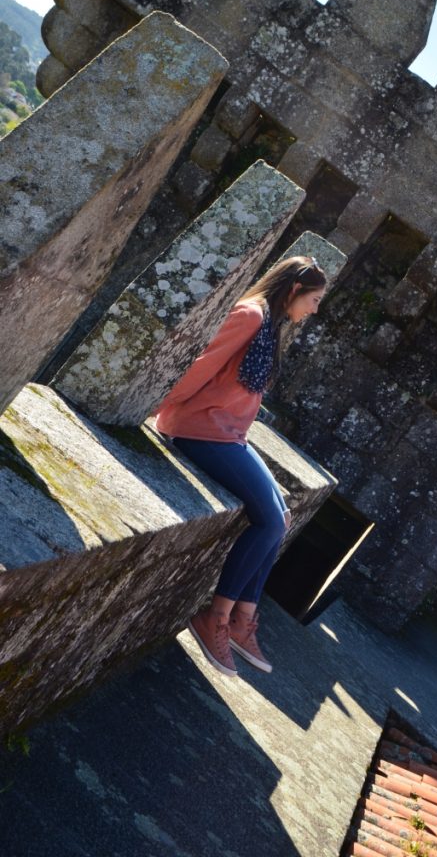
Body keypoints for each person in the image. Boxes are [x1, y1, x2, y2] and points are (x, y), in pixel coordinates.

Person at [154, 255, 327, 678]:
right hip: (200, 429)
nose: (315, 310)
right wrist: (162, 406)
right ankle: (214, 617)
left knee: (281, 518)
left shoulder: (270, 326)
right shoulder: (251, 316)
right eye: (315, 300)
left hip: (229, 435)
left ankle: (241, 622)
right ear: (293, 291)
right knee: (267, 524)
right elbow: (204, 365)